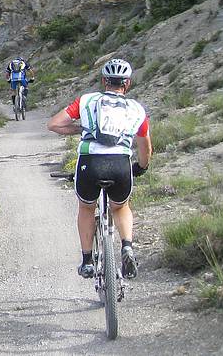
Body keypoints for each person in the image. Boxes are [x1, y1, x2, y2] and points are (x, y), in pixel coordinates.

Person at [47, 59, 152, 280]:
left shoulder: (86, 101)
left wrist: (82, 129)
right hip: (120, 165)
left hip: (90, 163)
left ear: (104, 81)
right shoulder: (136, 109)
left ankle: (86, 261)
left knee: (86, 208)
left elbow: (54, 124)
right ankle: (127, 247)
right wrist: (141, 167)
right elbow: (145, 146)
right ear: (127, 83)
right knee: (121, 207)